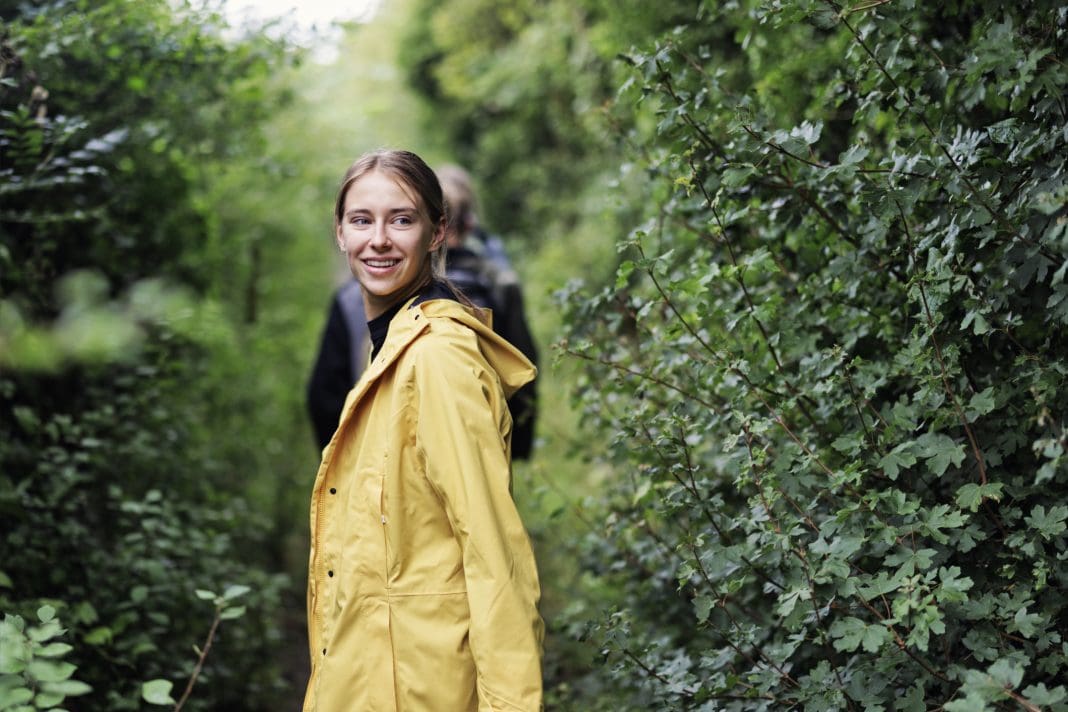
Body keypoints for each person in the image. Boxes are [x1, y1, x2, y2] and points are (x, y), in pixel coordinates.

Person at [303, 149, 543, 712]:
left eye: (402, 219)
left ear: (438, 233)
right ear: (340, 233)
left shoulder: (437, 361)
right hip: (370, 675)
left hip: (421, 686)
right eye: (362, 220)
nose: (379, 239)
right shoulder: (391, 351)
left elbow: (493, 554)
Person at [306, 165, 539, 459]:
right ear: (467, 225)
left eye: (401, 220)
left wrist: (342, 466)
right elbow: (521, 373)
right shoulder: (498, 283)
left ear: (435, 229)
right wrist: (515, 447)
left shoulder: (355, 295)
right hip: (477, 451)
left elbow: (324, 396)